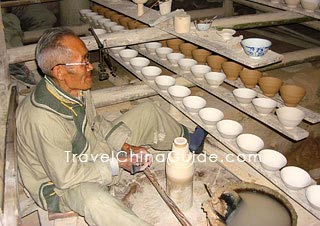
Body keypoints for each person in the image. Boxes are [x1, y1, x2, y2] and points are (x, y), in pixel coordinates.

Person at [16, 27, 207, 226]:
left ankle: (188, 140)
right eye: (83, 62)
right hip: (59, 182)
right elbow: (66, 176)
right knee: (96, 201)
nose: (90, 66)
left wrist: (125, 147)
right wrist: (117, 162)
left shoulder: (76, 88)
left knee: (148, 111)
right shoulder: (42, 119)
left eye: (87, 59)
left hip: (89, 150)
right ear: (60, 71)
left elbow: (96, 123)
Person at [2, 3, 57, 86]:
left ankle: (41, 60)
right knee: (9, 21)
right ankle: (18, 67)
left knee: (45, 18)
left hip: (14, 4)